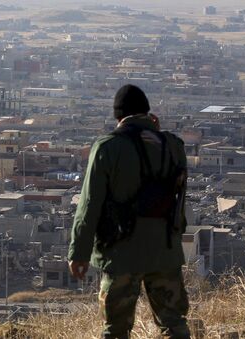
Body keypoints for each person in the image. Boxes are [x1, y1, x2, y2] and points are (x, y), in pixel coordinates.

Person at [68, 84, 191, 339]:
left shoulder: (107, 148)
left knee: (116, 329)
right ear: (147, 113)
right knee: (174, 324)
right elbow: (178, 196)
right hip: (164, 250)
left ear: (118, 117)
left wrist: (78, 253)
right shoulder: (173, 145)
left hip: (121, 251)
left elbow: (89, 205)